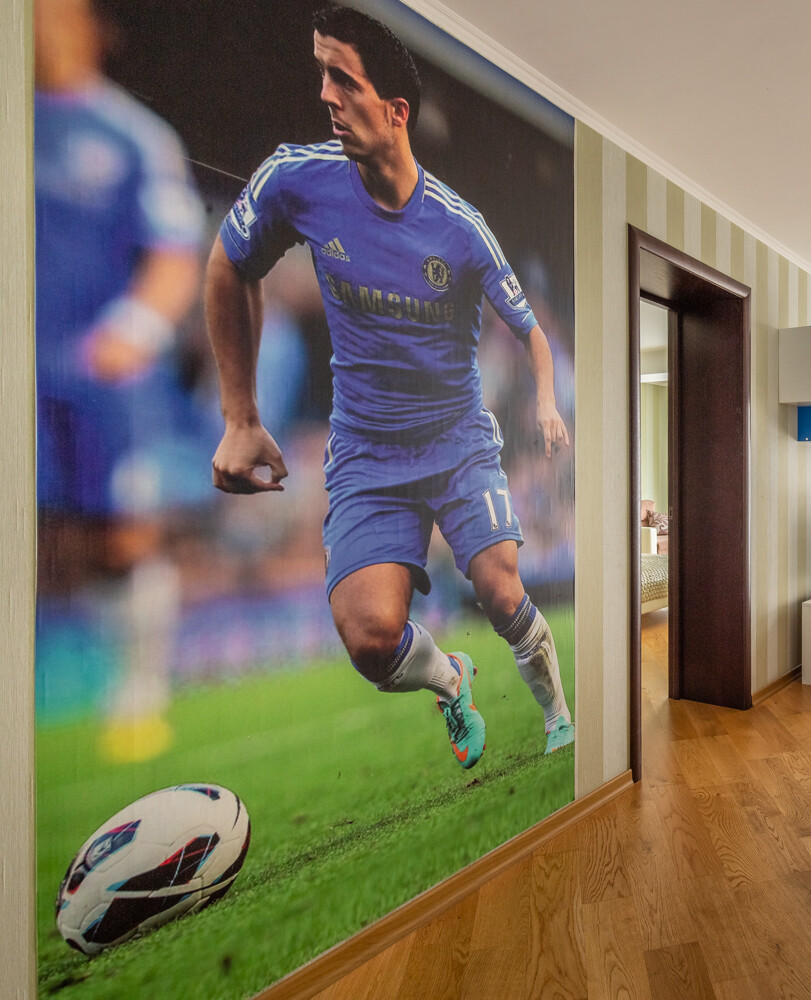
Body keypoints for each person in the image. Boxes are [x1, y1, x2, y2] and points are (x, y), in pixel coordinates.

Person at [205, 5, 574, 769]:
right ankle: (451, 680)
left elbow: (531, 329)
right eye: (322, 75)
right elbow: (230, 263)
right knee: (371, 641)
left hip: (457, 440)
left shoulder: (460, 228)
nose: (326, 95)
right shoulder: (296, 179)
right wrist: (240, 415)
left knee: (502, 590)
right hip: (368, 452)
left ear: (395, 110)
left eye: (344, 79)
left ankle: (560, 720)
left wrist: (544, 400)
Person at [34, 0, 203, 762]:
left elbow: (173, 251)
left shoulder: (132, 134)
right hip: (24, 372)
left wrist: (131, 333)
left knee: (120, 532)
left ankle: (138, 695)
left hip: (103, 372)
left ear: (90, 25)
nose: (39, 26)